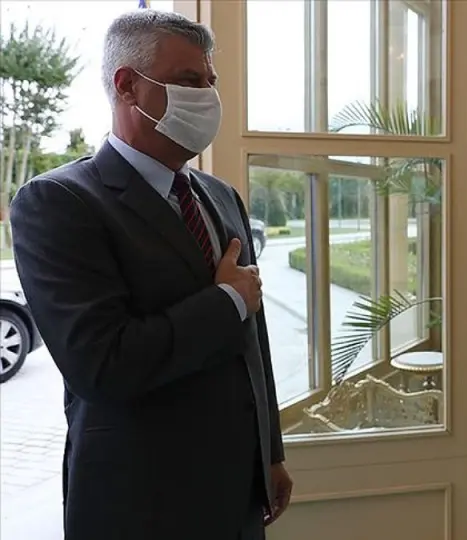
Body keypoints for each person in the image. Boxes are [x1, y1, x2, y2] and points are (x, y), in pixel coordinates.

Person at [10, 10, 292, 540]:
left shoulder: (221, 196)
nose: (208, 97)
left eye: (210, 81)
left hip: (238, 491)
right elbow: (102, 364)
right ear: (127, 86)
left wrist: (269, 453)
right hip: (139, 502)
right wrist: (226, 301)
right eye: (189, 80)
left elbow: (251, 343)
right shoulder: (58, 202)